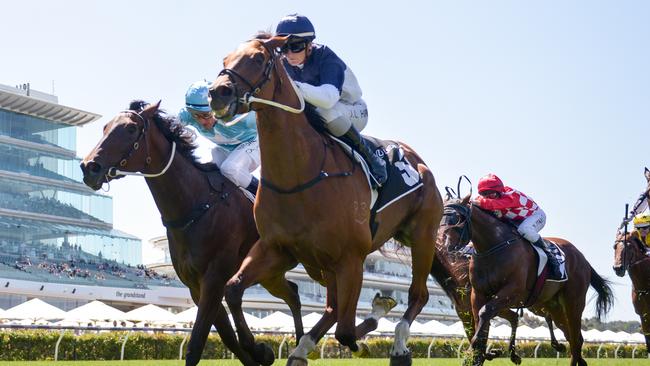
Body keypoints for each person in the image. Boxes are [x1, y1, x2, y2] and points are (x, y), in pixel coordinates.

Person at [275, 13, 387, 187]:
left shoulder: (326, 57)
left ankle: (370, 158)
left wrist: (292, 87)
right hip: (322, 111)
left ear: (309, 44)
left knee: (324, 111)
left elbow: (328, 99)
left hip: (352, 109)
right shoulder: (284, 63)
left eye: (295, 46)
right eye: (283, 48)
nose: (289, 54)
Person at [178, 80, 260, 195]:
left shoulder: (240, 116)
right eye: (195, 114)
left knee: (230, 169)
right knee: (210, 175)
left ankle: (271, 198)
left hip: (256, 142)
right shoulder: (186, 116)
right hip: (228, 149)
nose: (202, 121)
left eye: (206, 115)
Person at [473, 173, 561, 277]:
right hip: (515, 220)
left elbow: (490, 204)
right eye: (485, 194)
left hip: (535, 216)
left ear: (499, 192)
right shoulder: (487, 198)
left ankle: (550, 255)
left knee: (524, 230)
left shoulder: (512, 195)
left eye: (491, 194)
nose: (488, 198)